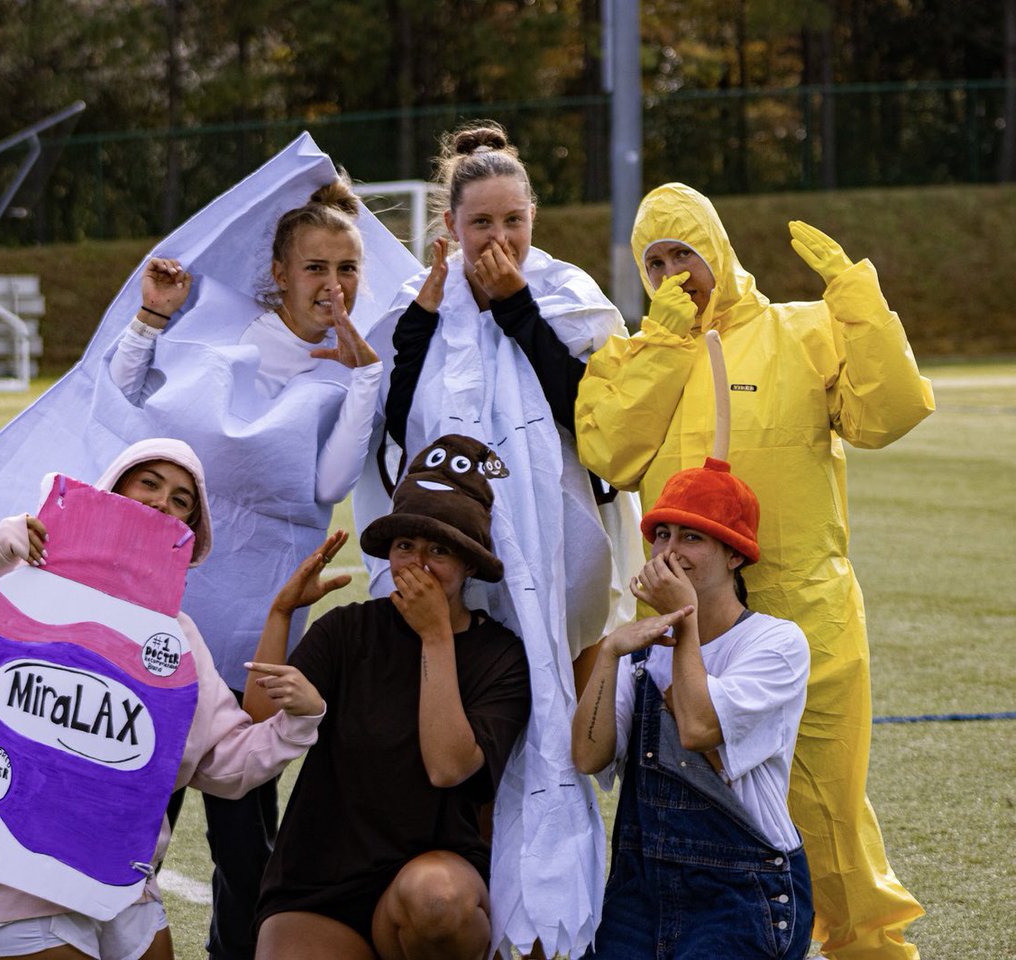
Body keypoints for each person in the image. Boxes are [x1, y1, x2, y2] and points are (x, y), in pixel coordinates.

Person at [576, 182, 934, 959]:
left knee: (830, 816)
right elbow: (612, 454)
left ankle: (871, 950)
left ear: (719, 249)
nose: (674, 274)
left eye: (685, 254)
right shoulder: (631, 356)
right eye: (655, 263)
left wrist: (857, 302)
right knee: (687, 804)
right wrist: (663, 345)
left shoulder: (802, 332)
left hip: (808, 615)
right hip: (685, 622)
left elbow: (890, 413)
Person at [356, 120, 643, 957]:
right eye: (480, 222)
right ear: (449, 226)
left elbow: (597, 424)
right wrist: (424, 321)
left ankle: (546, 916)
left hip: (556, 563)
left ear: (533, 218)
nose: (498, 239)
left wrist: (516, 309)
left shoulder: (566, 296)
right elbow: (396, 433)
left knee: (547, 726)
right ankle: (455, 907)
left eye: (513, 220)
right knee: (463, 729)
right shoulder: (414, 304)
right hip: (453, 567)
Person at [0, 437, 324, 960]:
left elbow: (223, 762)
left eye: (182, 500)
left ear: (190, 529)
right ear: (112, 489)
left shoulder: (175, 636)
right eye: (149, 483)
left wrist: (297, 722)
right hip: (10, 869)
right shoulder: (21, 586)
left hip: (119, 879)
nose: (163, 502)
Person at [106, 178, 383, 959]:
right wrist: (152, 317)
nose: (333, 285)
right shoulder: (218, 333)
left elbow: (329, 484)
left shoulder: (354, 369)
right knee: (134, 822)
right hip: (160, 620)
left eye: (348, 268)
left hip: (259, 628)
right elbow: (123, 407)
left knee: (245, 847)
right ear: (279, 273)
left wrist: (364, 377)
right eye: (316, 267)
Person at [246, 435, 532, 960]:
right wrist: (281, 613)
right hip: (323, 877)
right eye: (405, 546)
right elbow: (259, 721)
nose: (417, 564)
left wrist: (436, 636)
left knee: (438, 902)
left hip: (429, 873)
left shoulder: (501, 655)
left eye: (439, 550)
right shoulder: (349, 628)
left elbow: (448, 767)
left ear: (470, 564)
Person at [573, 457, 813, 959]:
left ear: (735, 555)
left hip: (745, 889)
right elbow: (589, 757)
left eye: (692, 537)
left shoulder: (777, 643)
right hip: (641, 887)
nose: (669, 552)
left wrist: (684, 622)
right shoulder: (638, 648)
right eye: (661, 535)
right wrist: (611, 652)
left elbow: (699, 727)